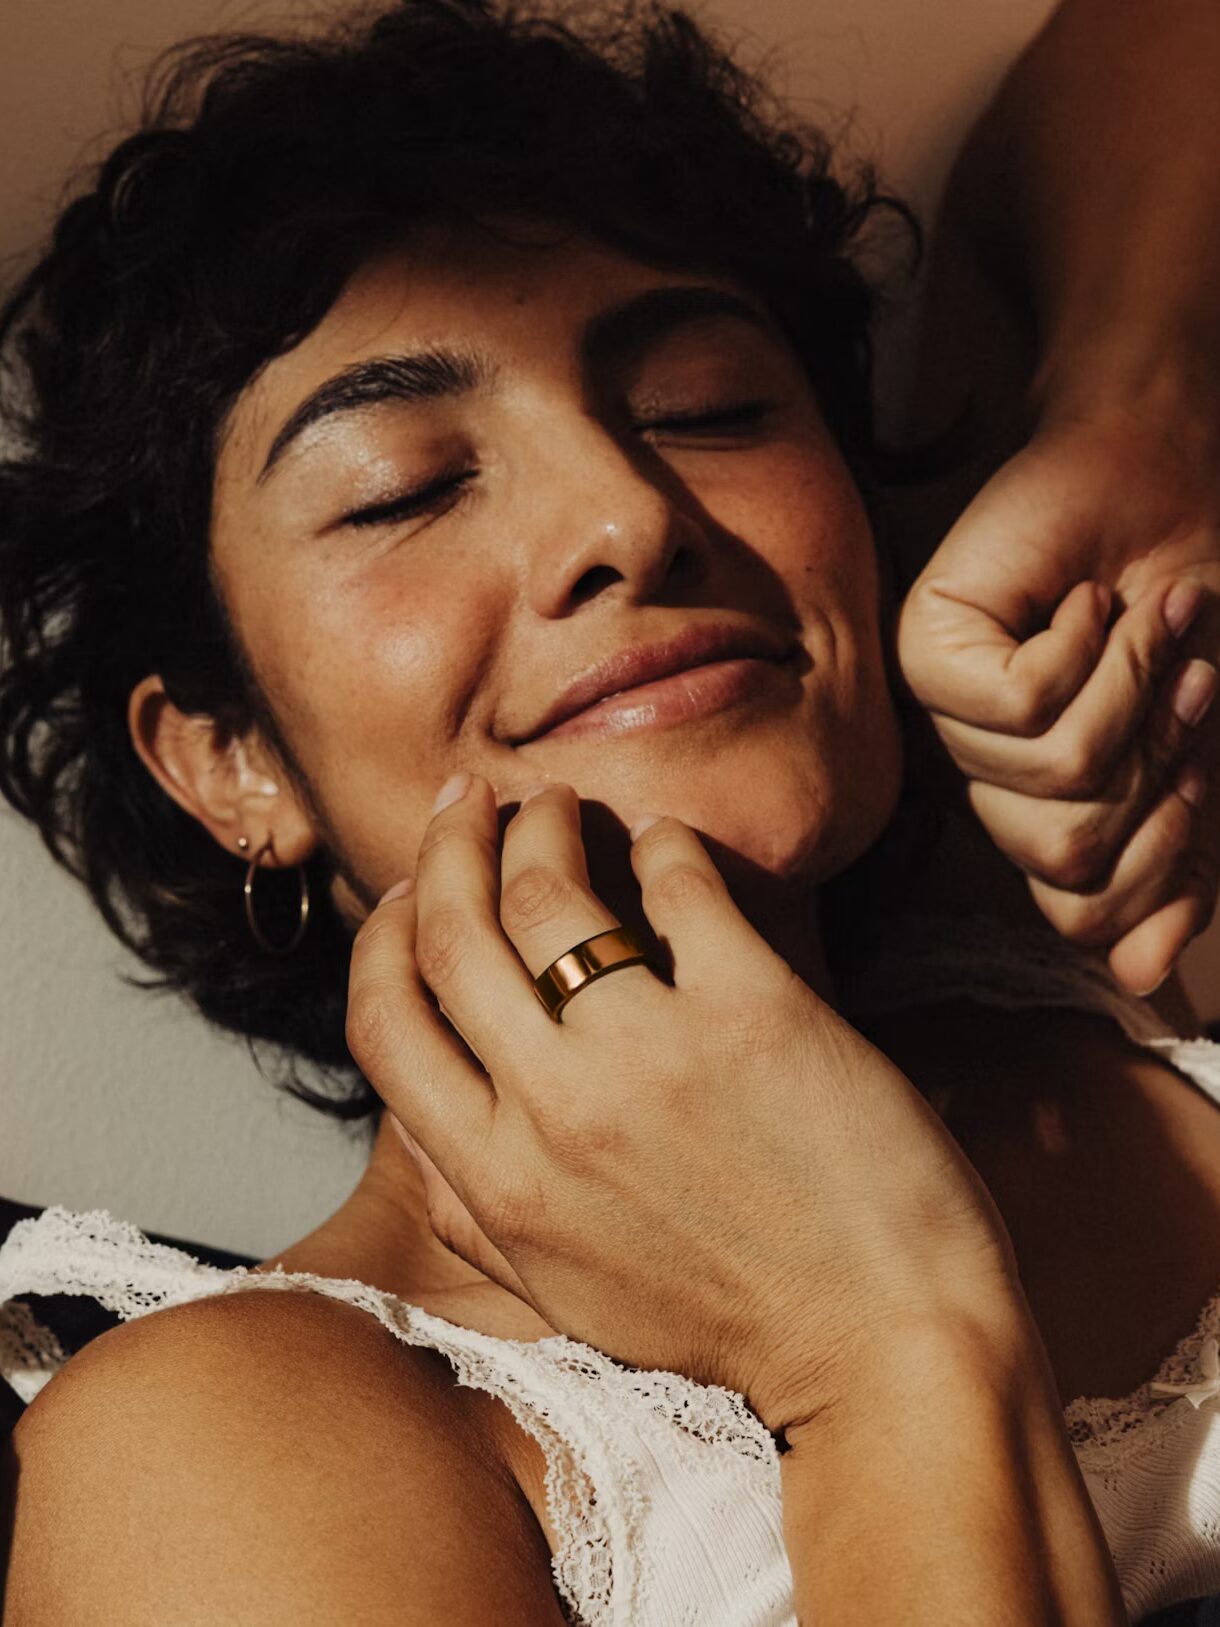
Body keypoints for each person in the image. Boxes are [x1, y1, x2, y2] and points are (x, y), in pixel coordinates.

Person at [1, 0, 1219, 1621]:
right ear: (231, 761)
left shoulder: (1119, 901)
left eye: (708, 405)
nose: (628, 517)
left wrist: (1137, 413)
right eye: (404, 487)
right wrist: (875, 1343)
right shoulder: (229, 1443)